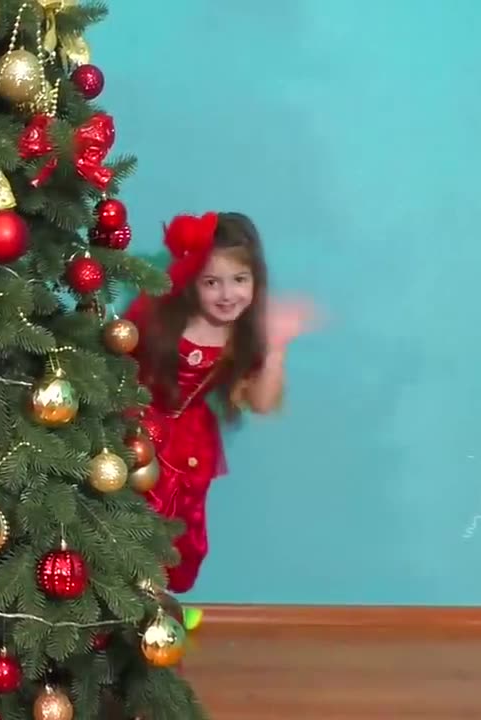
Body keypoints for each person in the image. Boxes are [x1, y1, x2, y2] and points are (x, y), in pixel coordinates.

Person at [125, 211, 316, 629]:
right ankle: (127, 617)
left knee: (180, 532)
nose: (227, 294)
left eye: (239, 280)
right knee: (133, 524)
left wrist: (278, 347)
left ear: (255, 281)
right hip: (137, 431)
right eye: (212, 282)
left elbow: (262, 403)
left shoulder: (244, 336)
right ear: (192, 280)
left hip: (191, 443)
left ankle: (157, 615)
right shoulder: (161, 319)